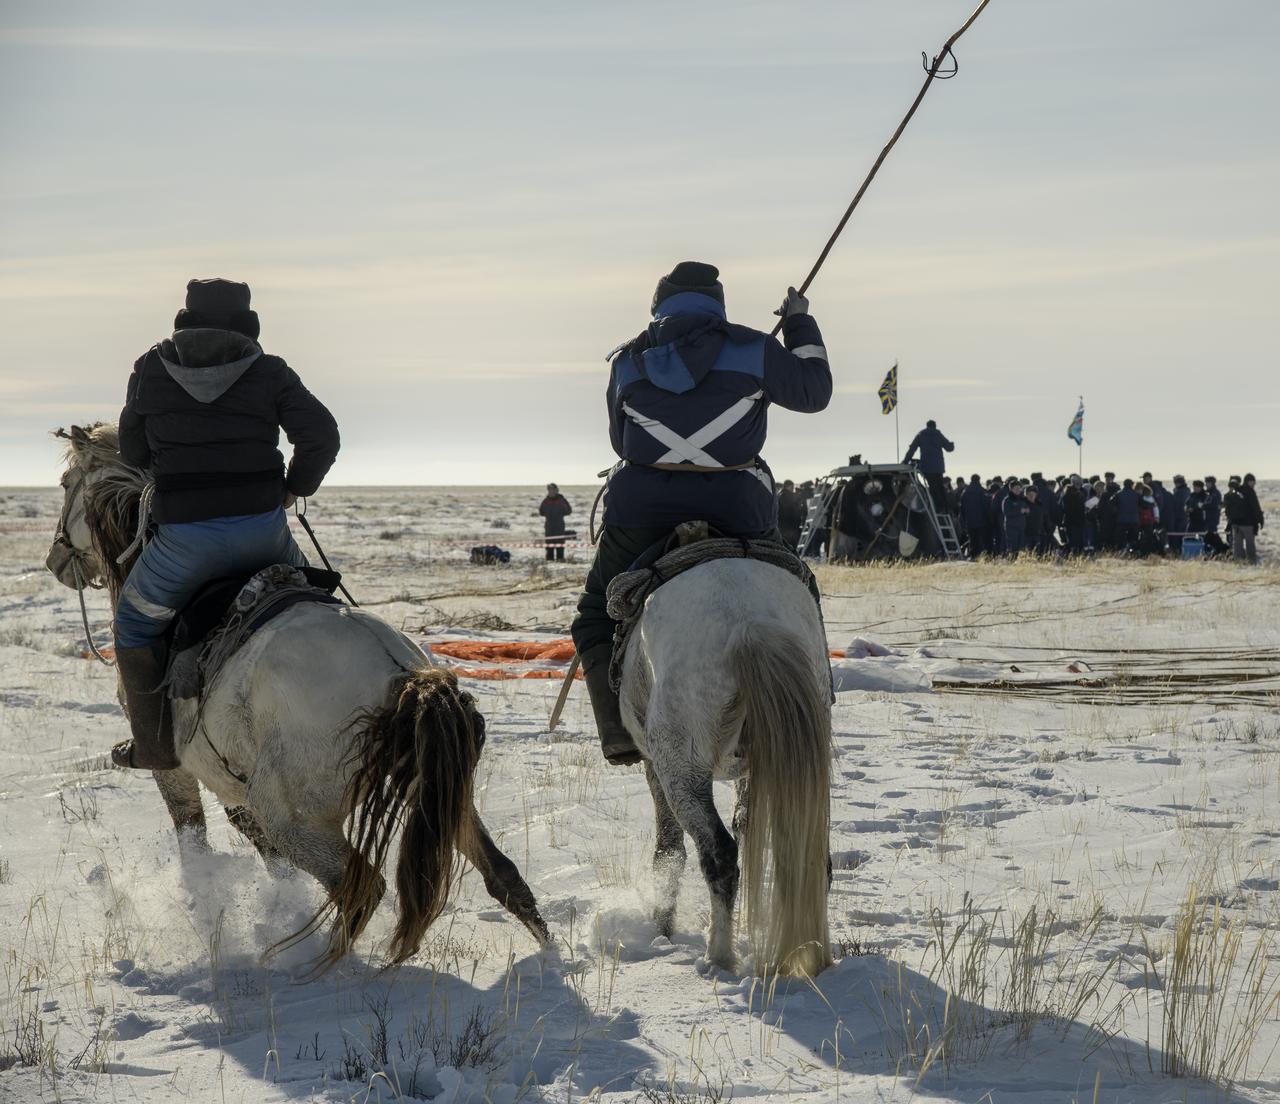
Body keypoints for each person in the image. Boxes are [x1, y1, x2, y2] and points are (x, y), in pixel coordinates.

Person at [571, 262, 831, 765]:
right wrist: (799, 321)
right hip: (738, 510)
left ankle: (617, 731)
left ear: (658, 304)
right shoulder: (755, 348)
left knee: (593, 615)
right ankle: (819, 703)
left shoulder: (626, 360)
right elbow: (814, 393)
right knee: (800, 588)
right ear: (719, 303)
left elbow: (619, 440)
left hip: (643, 510)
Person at [113, 278, 340, 770]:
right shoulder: (269, 370)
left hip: (183, 544)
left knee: (132, 624)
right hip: (265, 534)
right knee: (322, 604)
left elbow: (130, 449)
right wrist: (294, 486)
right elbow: (321, 435)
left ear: (186, 319)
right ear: (246, 324)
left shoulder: (151, 368)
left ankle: (155, 748)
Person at [903, 420, 955, 512]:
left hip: (927, 467)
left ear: (927, 426)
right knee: (940, 487)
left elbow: (912, 449)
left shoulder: (921, 434)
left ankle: (937, 508)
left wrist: (905, 461)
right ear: (935, 426)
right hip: (938, 467)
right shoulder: (938, 434)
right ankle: (945, 508)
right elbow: (949, 448)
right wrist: (952, 444)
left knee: (933, 487)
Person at [538, 483, 572, 561]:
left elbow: (569, 511)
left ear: (556, 490)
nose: (551, 491)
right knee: (549, 546)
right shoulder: (546, 501)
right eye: (549, 490)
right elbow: (541, 511)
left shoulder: (561, 500)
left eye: (552, 489)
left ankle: (560, 560)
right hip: (549, 527)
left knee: (560, 546)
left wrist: (559, 513)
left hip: (559, 527)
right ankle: (550, 562)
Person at [960, 474, 988, 559]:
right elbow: (986, 506)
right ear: (979, 480)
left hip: (969, 520)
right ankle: (981, 556)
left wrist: (963, 520)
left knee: (973, 540)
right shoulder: (982, 491)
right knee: (981, 540)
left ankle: (973, 555)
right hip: (981, 520)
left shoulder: (965, 491)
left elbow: (962, 508)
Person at [1002, 480, 1031, 556]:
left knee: (1020, 547)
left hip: (1021, 526)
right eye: (1016, 488)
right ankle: (1010, 561)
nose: (1018, 490)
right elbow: (1006, 513)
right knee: (1012, 547)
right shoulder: (1007, 500)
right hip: (1011, 527)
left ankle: (1015, 562)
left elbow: (1026, 509)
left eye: (1019, 488)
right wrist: (1019, 511)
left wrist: (1027, 511)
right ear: (1011, 489)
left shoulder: (1022, 499)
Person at [776, 479, 807, 550]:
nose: (793, 489)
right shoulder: (785, 496)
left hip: (783, 526)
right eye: (792, 487)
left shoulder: (780, 495)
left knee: (784, 545)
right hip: (790, 526)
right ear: (788, 486)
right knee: (791, 546)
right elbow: (790, 509)